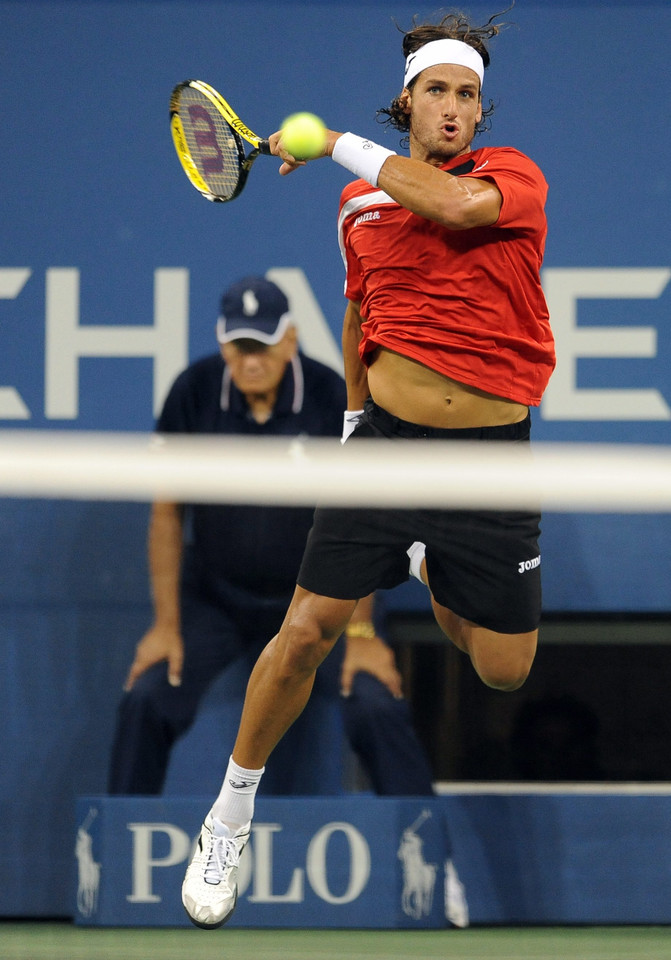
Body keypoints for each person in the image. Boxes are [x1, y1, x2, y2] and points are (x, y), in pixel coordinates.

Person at [182, 9, 555, 929]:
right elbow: (361, 316)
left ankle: (429, 560)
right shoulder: (359, 208)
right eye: (439, 91)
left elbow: (455, 208)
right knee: (307, 630)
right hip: (385, 443)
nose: (456, 108)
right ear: (409, 101)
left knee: (502, 669)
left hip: (492, 465)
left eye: (468, 94)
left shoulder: (510, 179)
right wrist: (353, 419)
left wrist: (339, 141)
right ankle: (229, 815)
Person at [107, 274, 437, 799]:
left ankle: (433, 867)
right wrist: (166, 627)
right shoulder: (193, 393)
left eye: (262, 345)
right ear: (222, 342)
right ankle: (116, 867)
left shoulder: (333, 396)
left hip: (317, 594)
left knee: (376, 704)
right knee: (147, 697)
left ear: (289, 340)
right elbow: (167, 512)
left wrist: (361, 636)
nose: (250, 359)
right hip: (215, 600)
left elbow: (366, 518)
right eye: (239, 346)